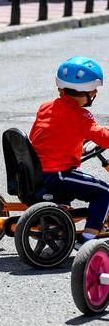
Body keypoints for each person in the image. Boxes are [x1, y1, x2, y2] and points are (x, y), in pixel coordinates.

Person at [29, 57, 109, 250]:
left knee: (79, 184)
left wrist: (78, 142)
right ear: (86, 93)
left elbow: (46, 134)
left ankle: (58, 220)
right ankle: (89, 237)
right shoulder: (80, 116)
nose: (95, 94)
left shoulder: (46, 107)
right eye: (94, 91)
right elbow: (103, 137)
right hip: (57, 175)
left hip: (33, 173)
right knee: (104, 193)